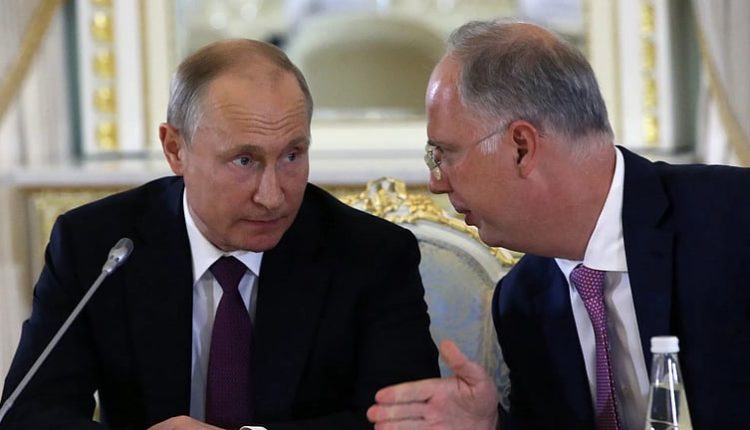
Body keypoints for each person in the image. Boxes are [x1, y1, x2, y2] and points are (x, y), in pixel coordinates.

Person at [1, 39, 439, 429]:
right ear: (175, 149)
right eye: (244, 161)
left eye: (292, 155)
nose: (272, 196)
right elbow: (28, 412)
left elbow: (404, 421)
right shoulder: (97, 246)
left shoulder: (372, 256)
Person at [368, 19, 750, 430]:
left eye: (444, 154)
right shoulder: (522, 300)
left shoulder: (734, 219)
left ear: (521, 147)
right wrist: (490, 427)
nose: (436, 183)